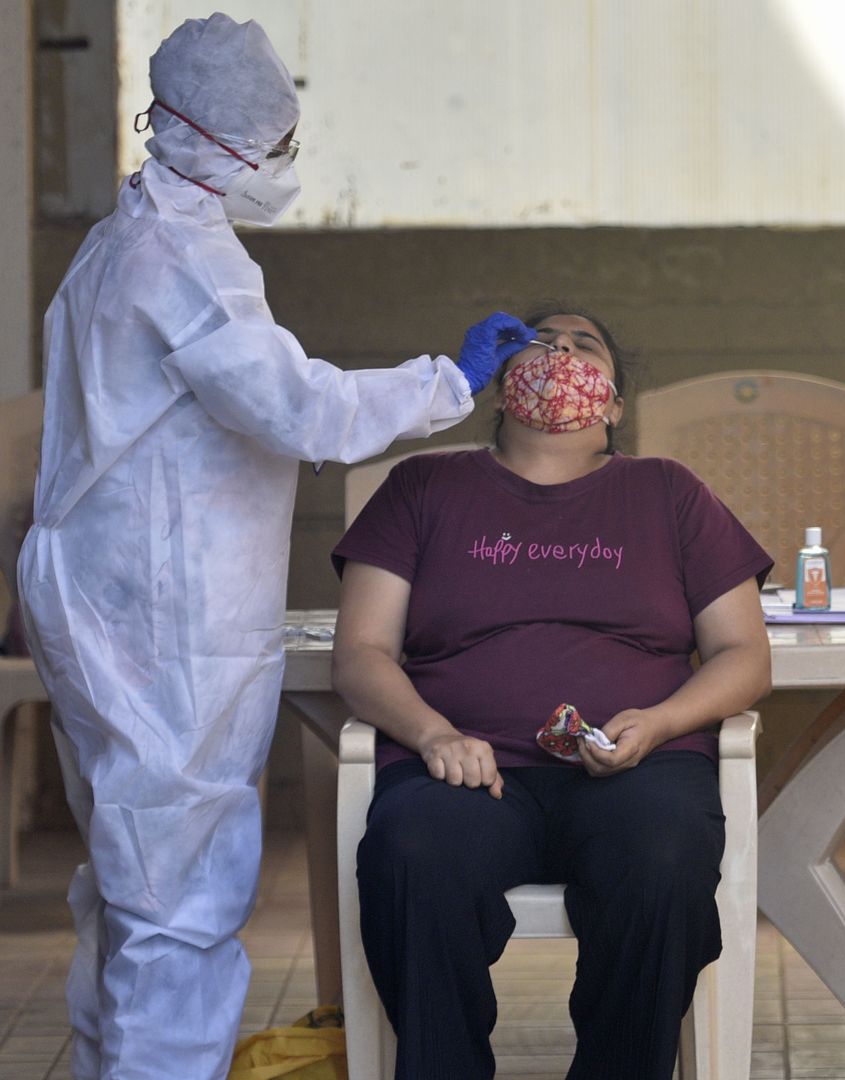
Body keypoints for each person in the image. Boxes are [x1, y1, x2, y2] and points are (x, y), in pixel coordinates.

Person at [15, 16, 535, 1079]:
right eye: (280, 145)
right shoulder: (186, 260)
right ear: (224, 143)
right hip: (165, 620)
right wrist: (448, 382)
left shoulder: (118, 239)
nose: (288, 164)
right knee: (178, 899)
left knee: (128, 880)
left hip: (102, 599)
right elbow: (301, 409)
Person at [332, 308, 774, 1079]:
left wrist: (661, 722)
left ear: (614, 404)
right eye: (540, 342)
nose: (561, 350)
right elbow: (361, 653)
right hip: (461, 769)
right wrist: (434, 734)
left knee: (663, 858)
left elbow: (745, 656)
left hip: (641, 768)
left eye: (583, 345)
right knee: (412, 856)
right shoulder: (422, 487)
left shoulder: (669, 492)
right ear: (501, 384)